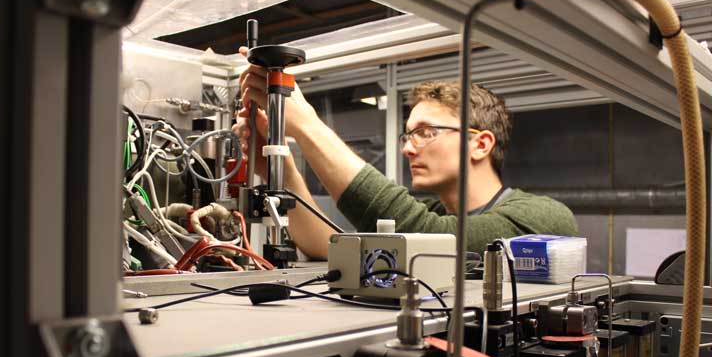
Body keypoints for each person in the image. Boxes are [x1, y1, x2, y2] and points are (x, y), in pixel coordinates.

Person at [233, 47, 578, 260]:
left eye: (426, 133)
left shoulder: (540, 218)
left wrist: (308, 126)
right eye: (408, 134)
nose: (408, 146)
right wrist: (283, 169)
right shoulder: (431, 210)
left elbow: (426, 236)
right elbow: (328, 246)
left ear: (481, 144)